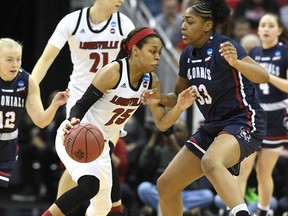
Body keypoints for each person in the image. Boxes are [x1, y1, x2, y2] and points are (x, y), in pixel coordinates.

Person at [41, 27, 196, 216]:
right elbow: (81, 105)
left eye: (159, 53)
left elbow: (162, 124)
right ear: (136, 51)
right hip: (77, 134)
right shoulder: (113, 71)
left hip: (101, 146)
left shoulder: (151, 81)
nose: (157, 57)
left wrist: (179, 106)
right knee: (90, 185)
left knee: (103, 207)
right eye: (152, 51)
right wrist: (73, 122)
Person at [141, 0, 270, 215]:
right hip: (213, 126)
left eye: (190, 22)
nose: (183, 26)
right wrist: (160, 99)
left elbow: (263, 76)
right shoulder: (187, 56)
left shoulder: (224, 46)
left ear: (207, 25)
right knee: (166, 185)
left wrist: (237, 63)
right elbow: (178, 97)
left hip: (244, 120)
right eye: (183, 21)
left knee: (211, 162)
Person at [31, 0, 135, 215]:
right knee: (82, 158)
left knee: (95, 159)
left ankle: (95, 209)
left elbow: (136, 62)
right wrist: (27, 87)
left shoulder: (124, 23)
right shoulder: (72, 21)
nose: (121, 1)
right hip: (80, 99)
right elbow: (45, 60)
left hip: (110, 101)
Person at [231, 13, 288, 216]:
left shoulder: (285, 52)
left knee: (263, 171)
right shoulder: (253, 52)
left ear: (279, 30)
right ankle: (237, 211)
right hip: (254, 115)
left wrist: (267, 76)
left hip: (276, 116)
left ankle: (263, 211)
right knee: (243, 168)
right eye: (263, 25)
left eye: (270, 25)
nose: (265, 28)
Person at [0, 38, 69, 188]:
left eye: (18, 59)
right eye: (9, 60)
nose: (15, 64)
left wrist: (54, 105)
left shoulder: (26, 81)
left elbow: (41, 121)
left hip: (8, 144)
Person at [137, 120, 214, 215]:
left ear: (187, 133)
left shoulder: (194, 152)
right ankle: (183, 209)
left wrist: (173, 143)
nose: (174, 134)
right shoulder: (161, 149)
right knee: (143, 188)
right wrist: (155, 134)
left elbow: (194, 183)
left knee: (207, 195)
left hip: (187, 193)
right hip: (163, 192)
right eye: (173, 131)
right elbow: (143, 163)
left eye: (178, 130)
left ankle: (169, 207)